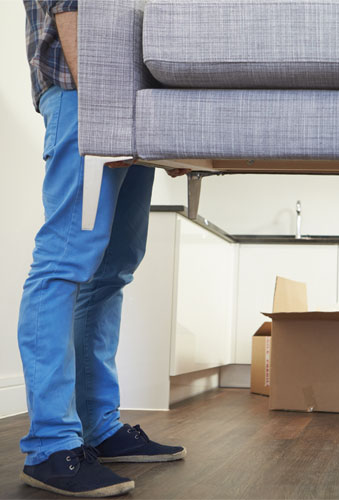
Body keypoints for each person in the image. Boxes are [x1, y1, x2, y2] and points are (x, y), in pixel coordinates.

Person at [19, 2, 190, 496]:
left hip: (128, 111)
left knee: (113, 269)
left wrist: (166, 134)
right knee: (64, 264)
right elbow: (70, 7)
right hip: (84, 99)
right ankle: (51, 444)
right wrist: (104, 112)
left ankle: (101, 429)